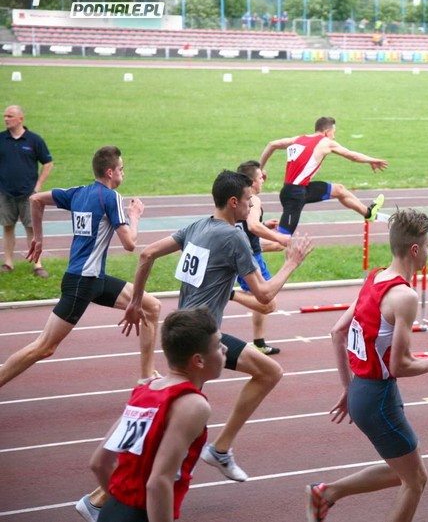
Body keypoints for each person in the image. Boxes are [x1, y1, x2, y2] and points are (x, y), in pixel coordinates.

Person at [76, 170, 313, 522]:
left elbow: (146, 255)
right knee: (172, 424)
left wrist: (135, 301)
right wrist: (292, 262)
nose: (251, 207)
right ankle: (103, 498)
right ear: (233, 202)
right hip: (200, 339)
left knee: (266, 372)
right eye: (248, 201)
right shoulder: (234, 237)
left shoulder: (197, 226)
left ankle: (219, 449)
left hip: (185, 330)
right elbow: (264, 295)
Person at [305, 208, 428, 522]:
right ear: (415, 249)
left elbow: (337, 332)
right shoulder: (404, 297)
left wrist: (348, 389)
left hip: (363, 392)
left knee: (405, 469)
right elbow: (399, 365)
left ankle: (326, 493)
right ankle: (325, 493)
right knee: (415, 481)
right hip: (378, 398)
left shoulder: (375, 278)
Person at [0, 145, 159, 389]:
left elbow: (36, 199)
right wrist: (134, 216)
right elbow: (130, 244)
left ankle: (147, 376)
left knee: (151, 306)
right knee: (45, 347)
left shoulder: (78, 193)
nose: (123, 173)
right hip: (82, 283)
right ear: (110, 172)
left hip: (95, 279)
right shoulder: (112, 198)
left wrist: (39, 238)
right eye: (121, 168)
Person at [78, 307, 226, 522]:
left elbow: (99, 463)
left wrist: (122, 504)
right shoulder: (193, 405)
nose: (225, 349)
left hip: (112, 510)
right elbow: (158, 482)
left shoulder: (145, 391)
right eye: (218, 345)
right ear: (199, 360)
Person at [260, 116, 388, 236]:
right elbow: (352, 156)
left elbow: (272, 144)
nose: (334, 136)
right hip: (294, 196)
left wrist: (260, 169)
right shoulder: (326, 142)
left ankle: (368, 213)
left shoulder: (298, 139)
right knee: (281, 240)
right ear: (327, 132)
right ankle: (254, 243)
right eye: (333, 133)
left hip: (301, 189)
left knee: (339, 190)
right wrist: (372, 160)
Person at [233, 160, 291, 355]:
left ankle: (259, 341)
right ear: (252, 181)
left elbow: (245, 225)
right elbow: (252, 226)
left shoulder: (235, 199)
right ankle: (228, 293)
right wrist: (279, 237)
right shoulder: (253, 200)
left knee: (277, 247)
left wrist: (264, 225)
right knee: (267, 301)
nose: (263, 181)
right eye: (260, 177)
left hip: (243, 250)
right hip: (248, 256)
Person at [0, 105, 53, 277]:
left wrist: (38, 186)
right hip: (5, 193)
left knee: (32, 228)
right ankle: (8, 263)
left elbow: (48, 163)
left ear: (20, 119)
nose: (6, 119)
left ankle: (37, 264)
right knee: (8, 227)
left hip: (29, 194)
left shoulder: (34, 140)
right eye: (5, 116)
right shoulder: (1, 139)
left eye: (10, 116)